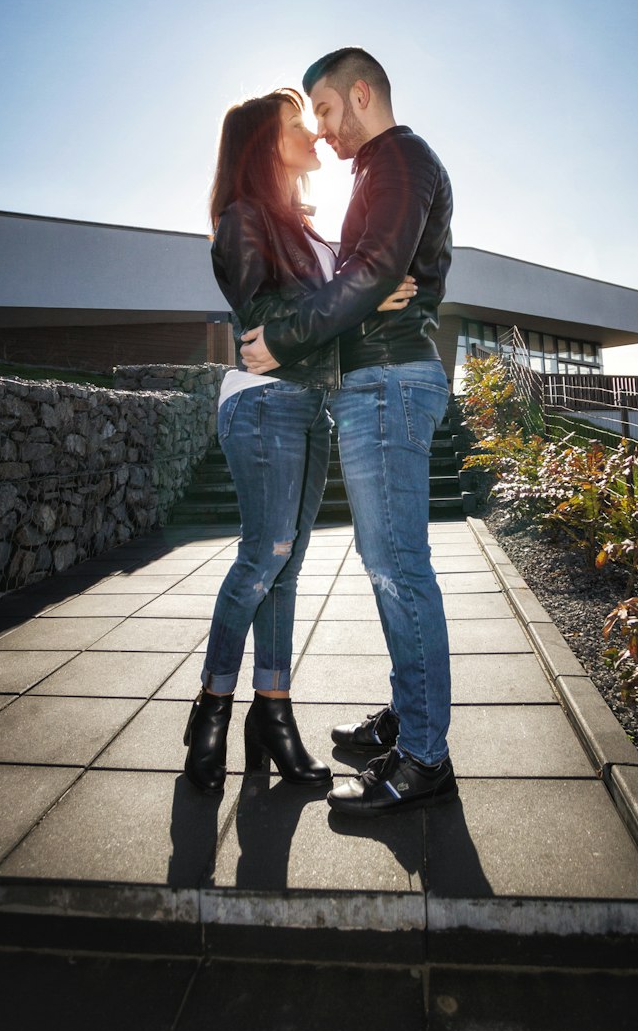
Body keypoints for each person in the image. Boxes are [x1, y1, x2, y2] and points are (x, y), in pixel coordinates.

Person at [240, 48, 457, 817]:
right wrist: (360, 283)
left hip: (391, 383)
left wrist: (283, 337)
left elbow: (370, 275)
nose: (322, 133)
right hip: (380, 382)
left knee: (398, 566)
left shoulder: (398, 160)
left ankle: (425, 758)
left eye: (326, 111)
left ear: (360, 94)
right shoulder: (382, 170)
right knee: (389, 563)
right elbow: (366, 277)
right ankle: (412, 717)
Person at [184, 88, 415, 795]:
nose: (313, 134)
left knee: (286, 569)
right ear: (264, 145)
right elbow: (269, 327)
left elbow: (322, 322)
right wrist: (361, 293)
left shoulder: (306, 224)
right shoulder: (243, 219)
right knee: (263, 558)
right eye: (296, 125)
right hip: (262, 408)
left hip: (310, 411)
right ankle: (213, 709)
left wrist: (364, 293)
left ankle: (274, 715)